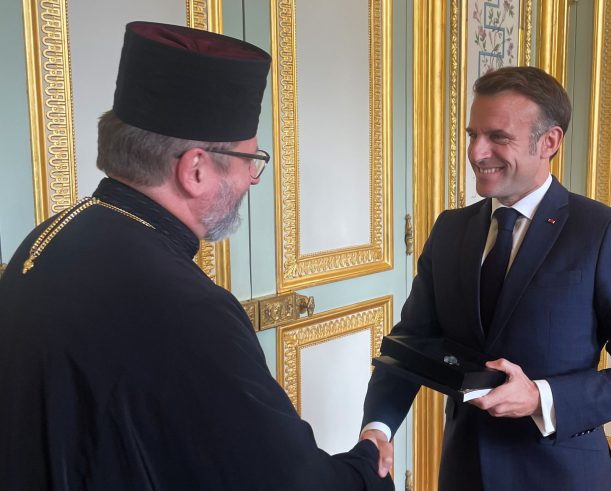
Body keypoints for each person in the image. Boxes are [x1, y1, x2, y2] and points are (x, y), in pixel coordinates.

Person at [0, 21, 392, 490]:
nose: (252, 180)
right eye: (251, 161)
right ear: (196, 170)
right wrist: (368, 463)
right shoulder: (187, 309)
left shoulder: (49, 236)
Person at [360, 66, 611, 490]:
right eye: (473, 134)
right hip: (463, 472)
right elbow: (411, 344)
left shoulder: (603, 232)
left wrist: (541, 397)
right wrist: (378, 428)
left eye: (498, 137)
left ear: (549, 142)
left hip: (560, 475)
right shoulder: (450, 228)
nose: (476, 152)